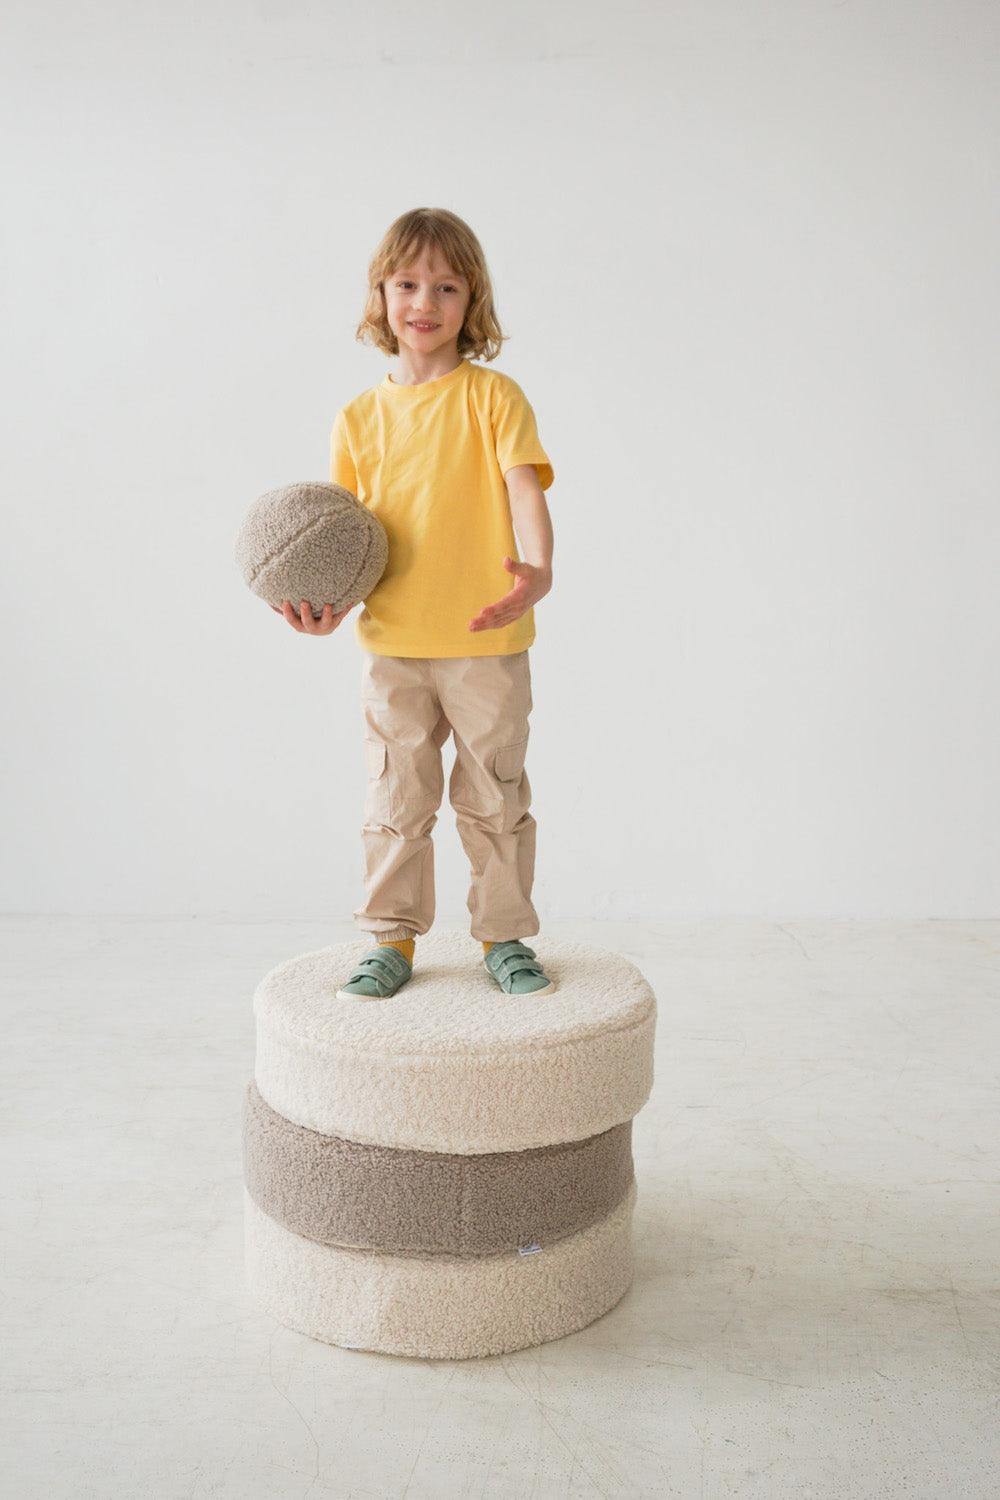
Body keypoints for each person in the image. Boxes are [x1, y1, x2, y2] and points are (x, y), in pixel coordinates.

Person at [274, 207, 556, 1001]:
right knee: (397, 795)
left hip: (486, 643)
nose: (423, 301)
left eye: (445, 285)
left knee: (494, 796)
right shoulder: (359, 418)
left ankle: (504, 937)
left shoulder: (493, 398)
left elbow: (523, 487)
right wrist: (322, 606)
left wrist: (538, 567)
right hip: (393, 643)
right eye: (407, 283)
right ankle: (390, 940)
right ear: (381, 293)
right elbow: (339, 535)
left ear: (473, 301)